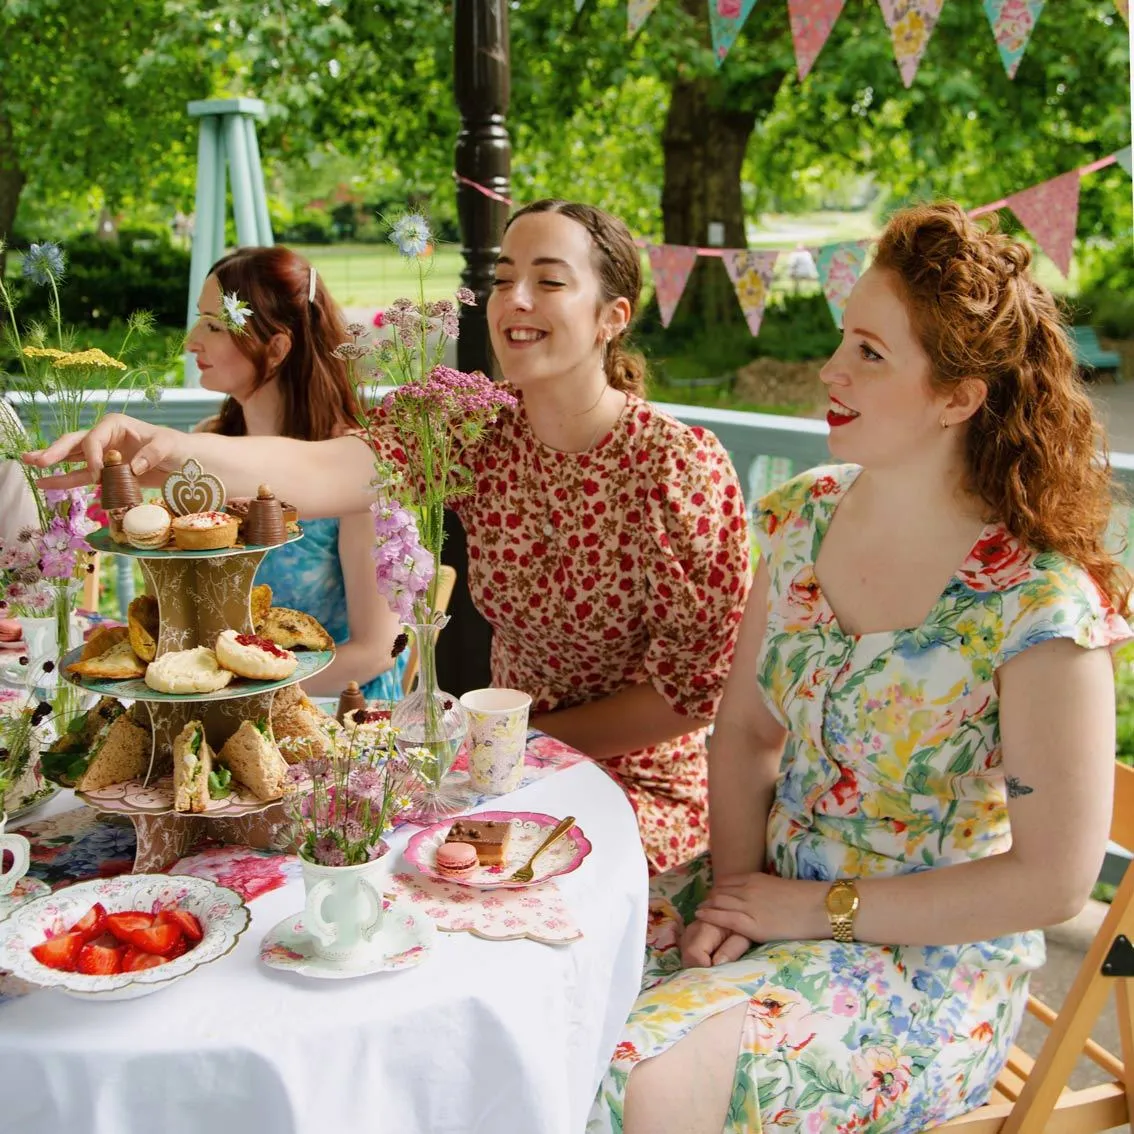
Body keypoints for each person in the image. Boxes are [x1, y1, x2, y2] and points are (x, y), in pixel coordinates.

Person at [588, 202, 1133, 1133]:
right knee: (527, 988)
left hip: (923, 970)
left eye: (872, 354)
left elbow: (1051, 881)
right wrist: (733, 894)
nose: (831, 371)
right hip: (765, 891)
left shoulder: (1040, 606)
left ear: (959, 397)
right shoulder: (801, 518)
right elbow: (749, 732)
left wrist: (810, 911)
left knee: (627, 1076)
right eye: (845, 340)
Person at [25, 201, 752, 873]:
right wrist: (159, 447)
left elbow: (691, 697)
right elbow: (321, 466)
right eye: (503, 280)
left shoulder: (678, 467)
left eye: (549, 281)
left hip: (630, 792)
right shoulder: (475, 429)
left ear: (611, 316)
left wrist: (515, 747)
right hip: (501, 775)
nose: (516, 301)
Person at [186, 245, 405, 702]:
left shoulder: (356, 465)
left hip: (337, 708)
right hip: (215, 698)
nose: (192, 341)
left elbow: (375, 650)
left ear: (278, 346)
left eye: (214, 325)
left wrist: (243, 695)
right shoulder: (208, 442)